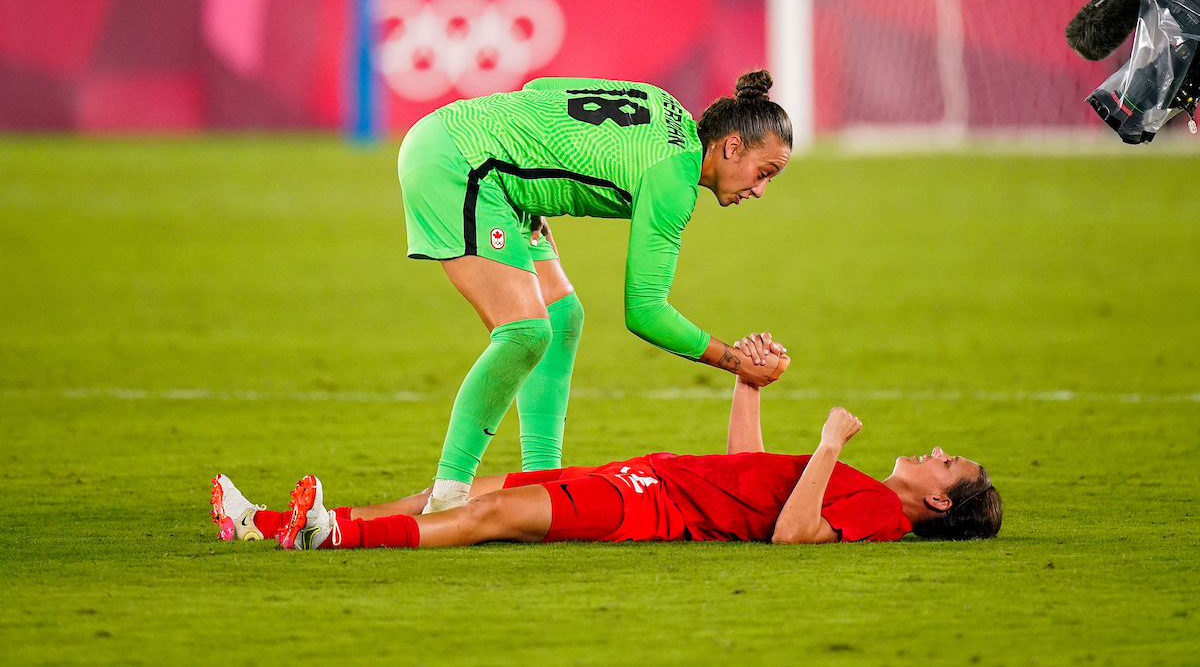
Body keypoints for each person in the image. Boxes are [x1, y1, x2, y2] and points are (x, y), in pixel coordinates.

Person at [393, 72, 793, 513]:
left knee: (562, 315)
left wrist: (530, 184)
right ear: (732, 146)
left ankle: (539, 479)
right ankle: (448, 497)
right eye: (764, 172)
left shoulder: (665, 103)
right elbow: (645, 312)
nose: (760, 189)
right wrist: (737, 363)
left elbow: (541, 89)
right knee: (524, 331)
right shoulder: (673, 183)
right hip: (459, 164)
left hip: (474, 150)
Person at [210, 338, 1003, 549]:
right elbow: (748, 477)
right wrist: (746, 389)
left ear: (939, 500)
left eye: (947, 462)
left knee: (491, 515)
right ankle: (277, 522)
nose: (936, 451)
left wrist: (829, 441)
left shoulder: (884, 516)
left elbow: (793, 535)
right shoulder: (867, 492)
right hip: (650, 478)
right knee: (466, 494)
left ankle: (331, 534)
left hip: (648, 510)